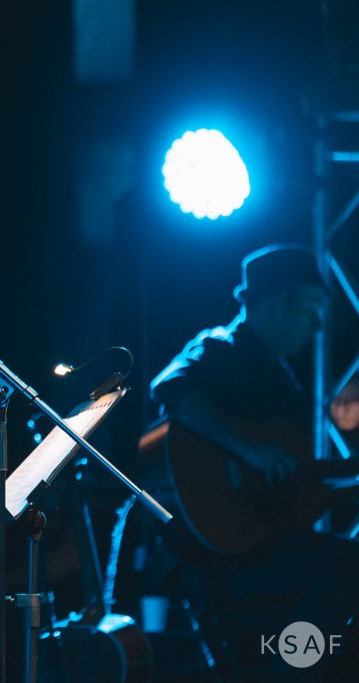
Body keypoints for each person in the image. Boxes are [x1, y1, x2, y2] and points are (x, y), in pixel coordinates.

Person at [149, 244, 358, 680]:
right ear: (281, 300)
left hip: (258, 540)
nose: (318, 325)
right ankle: (293, 669)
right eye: (311, 309)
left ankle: (299, 666)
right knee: (349, 565)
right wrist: (248, 451)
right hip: (218, 551)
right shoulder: (220, 348)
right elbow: (171, 388)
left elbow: (296, 482)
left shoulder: (283, 379)